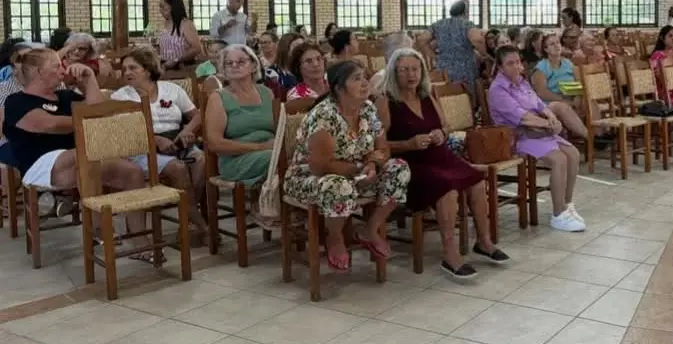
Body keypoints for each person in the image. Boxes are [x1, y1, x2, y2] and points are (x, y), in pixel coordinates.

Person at [379, 48, 508, 279]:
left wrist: (442, 133)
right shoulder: (386, 102)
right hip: (409, 163)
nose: (411, 75)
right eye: (404, 70)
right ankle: (450, 254)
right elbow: (377, 145)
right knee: (446, 188)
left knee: (476, 180)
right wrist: (408, 144)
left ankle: (484, 241)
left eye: (415, 69)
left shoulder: (428, 94)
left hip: (439, 155)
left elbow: (446, 126)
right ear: (394, 73)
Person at [2, 49, 146, 237]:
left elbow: (98, 113)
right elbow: (49, 125)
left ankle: (139, 236)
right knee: (87, 159)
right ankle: (99, 229)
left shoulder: (65, 96)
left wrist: (89, 78)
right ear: (40, 72)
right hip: (40, 166)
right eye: (57, 66)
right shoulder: (16, 101)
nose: (63, 71)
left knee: (132, 171)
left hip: (81, 160)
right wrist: (85, 119)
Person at [284, 60, 408, 271]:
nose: (365, 83)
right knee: (339, 186)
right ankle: (334, 237)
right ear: (339, 88)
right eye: (357, 79)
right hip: (312, 177)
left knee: (399, 169)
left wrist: (373, 164)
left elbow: (383, 148)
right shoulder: (324, 115)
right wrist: (360, 168)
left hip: (357, 174)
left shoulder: (368, 109)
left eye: (365, 77)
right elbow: (320, 167)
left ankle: (370, 229)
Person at [111, 47, 208, 241]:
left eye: (133, 68)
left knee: (201, 160)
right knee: (178, 168)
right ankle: (199, 224)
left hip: (177, 140)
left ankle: (189, 216)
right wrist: (155, 139)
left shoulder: (172, 89)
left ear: (148, 70)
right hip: (141, 148)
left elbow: (197, 116)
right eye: (125, 69)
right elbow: (124, 131)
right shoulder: (121, 96)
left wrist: (187, 131)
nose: (127, 72)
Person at [488, 46, 584, 232]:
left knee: (573, 153)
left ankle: (567, 206)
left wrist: (552, 117)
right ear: (500, 67)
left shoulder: (522, 82)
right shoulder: (497, 89)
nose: (516, 67)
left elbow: (539, 104)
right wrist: (549, 125)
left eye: (518, 62)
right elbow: (522, 117)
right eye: (510, 63)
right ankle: (558, 214)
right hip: (517, 136)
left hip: (538, 131)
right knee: (558, 159)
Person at [204, 44, 276, 187]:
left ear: (254, 66)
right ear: (224, 69)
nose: (234, 66)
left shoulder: (267, 93)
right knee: (278, 160)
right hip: (236, 160)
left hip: (271, 150)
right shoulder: (218, 97)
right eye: (229, 63)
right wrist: (260, 147)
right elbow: (215, 143)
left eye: (241, 61)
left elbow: (278, 129)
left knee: (298, 156)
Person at [531, 34, 588, 139]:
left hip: (571, 97)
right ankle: (590, 137)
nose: (556, 46)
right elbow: (542, 92)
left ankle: (600, 135)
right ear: (546, 49)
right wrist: (564, 100)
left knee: (589, 101)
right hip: (551, 102)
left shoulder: (568, 63)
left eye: (558, 43)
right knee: (562, 107)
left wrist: (578, 97)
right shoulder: (541, 67)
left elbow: (579, 82)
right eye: (552, 44)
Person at [429, 0, 486, 96]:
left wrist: (434, 56)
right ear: (465, 11)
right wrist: (484, 54)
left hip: (443, 68)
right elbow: (478, 40)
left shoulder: (439, 24)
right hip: (464, 68)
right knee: (466, 97)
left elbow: (422, 40)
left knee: (446, 96)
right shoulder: (466, 24)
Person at [158, 0, 202, 70]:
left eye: (162, 6)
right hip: (165, 66)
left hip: (182, 68)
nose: (160, 10)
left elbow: (196, 48)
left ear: (172, 7)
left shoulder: (185, 24)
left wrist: (176, 60)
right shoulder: (165, 23)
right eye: (160, 7)